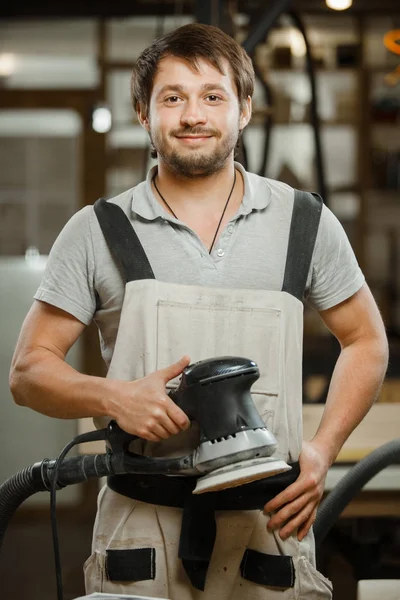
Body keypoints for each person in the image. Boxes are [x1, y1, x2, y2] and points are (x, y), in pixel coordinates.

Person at [10, 23, 388, 600]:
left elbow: (366, 341)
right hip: (142, 529)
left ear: (244, 111)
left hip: (270, 527)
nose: (194, 115)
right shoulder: (97, 231)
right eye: (173, 97)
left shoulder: (303, 223)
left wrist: (321, 452)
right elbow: (28, 372)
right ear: (144, 113)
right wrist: (115, 397)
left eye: (213, 95)